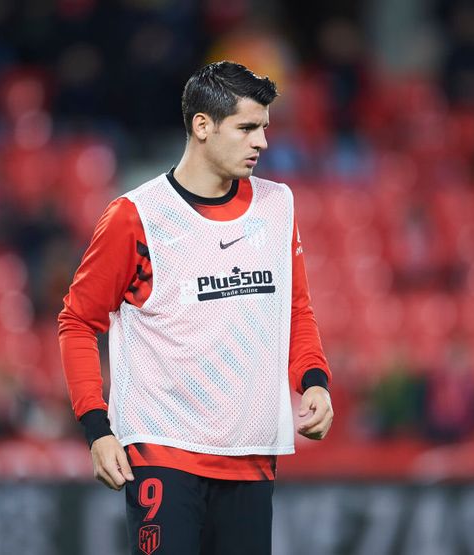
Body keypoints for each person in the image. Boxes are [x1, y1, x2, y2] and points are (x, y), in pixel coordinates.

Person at [58, 61, 333, 555]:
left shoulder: (278, 205)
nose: (261, 142)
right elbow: (77, 321)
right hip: (162, 453)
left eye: (264, 128)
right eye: (247, 128)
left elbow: (295, 309)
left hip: (251, 456)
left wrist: (313, 381)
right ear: (203, 126)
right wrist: (97, 429)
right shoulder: (135, 217)